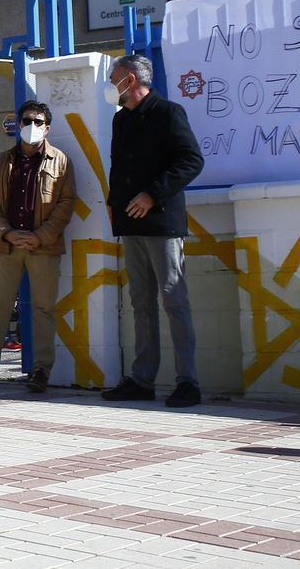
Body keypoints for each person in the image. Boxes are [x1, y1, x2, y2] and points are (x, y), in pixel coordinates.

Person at [101, 54, 206, 409]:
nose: (109, 84)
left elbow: (191, 160)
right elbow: (119, 167)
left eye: (113, 77)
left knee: (174, 300)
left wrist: (152, 194)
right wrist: (116, 204)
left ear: (130, 80)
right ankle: (142, 379)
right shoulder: (122, 119)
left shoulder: (168, 112)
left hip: (161, 221)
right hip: (130, 223)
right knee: (140, 302)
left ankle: (188, 381)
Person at [0, 101, 75, 392]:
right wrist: (6, 233)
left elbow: (65, 204)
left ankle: (41, 372)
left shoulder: (60, 160)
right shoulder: (1, 161)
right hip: (7, 246)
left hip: (43, 247)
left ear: (47, 128)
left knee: (43, 310)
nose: (32, 127)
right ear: (19, 125)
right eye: (27, 121)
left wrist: (40, 236)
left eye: (38, 122)